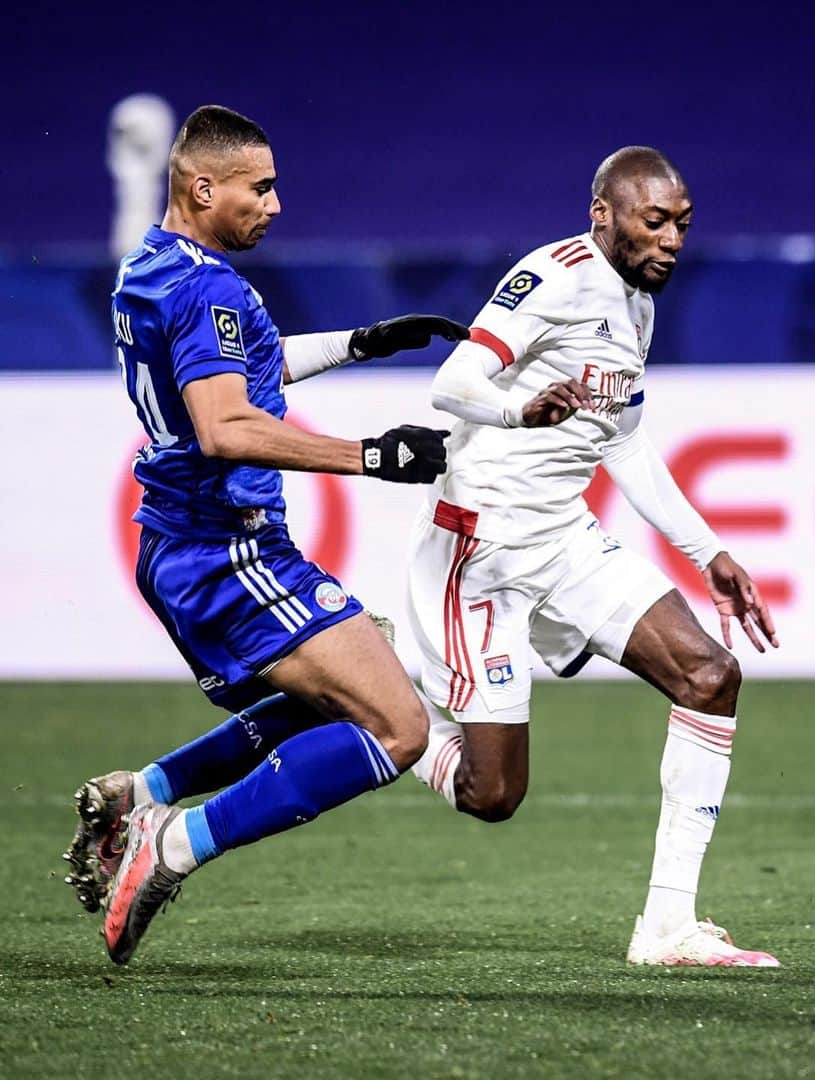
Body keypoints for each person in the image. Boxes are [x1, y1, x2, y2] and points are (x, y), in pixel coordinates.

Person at [62, 104, 469, 965]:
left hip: (181, 544)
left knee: (345, 687)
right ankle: (173, 843)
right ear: (204, 186)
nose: (276, 204)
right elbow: (226, 425)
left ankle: (146, 791)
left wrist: (361, 343)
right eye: (261, 187)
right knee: (397, 725)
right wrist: (373, 453)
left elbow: (238, 358)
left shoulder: (153, 265)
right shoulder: (209, 285)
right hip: (229, 549)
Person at [407, 146, 781, 967]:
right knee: (491, 794)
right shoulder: (556, 276)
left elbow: (627, 440)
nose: (673, 239)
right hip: (483, 549)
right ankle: (385, 704)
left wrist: (707, 550)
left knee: (711, 677)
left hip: (563, 537)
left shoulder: (638, 304)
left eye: (682, 223)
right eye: (655, 221)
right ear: (602, 213)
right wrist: (518, 411)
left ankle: (668, 928)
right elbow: (453, 383)